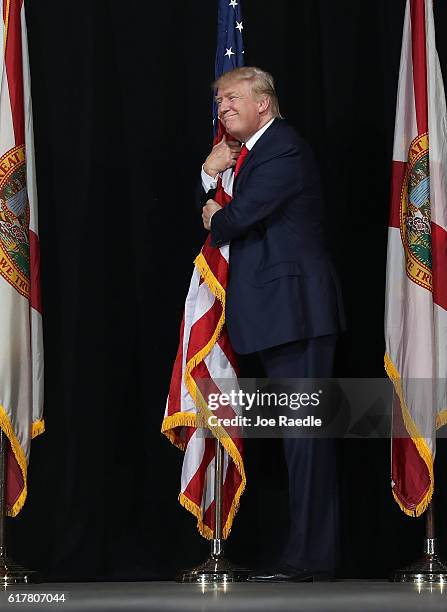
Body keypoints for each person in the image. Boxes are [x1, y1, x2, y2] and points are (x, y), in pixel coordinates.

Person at [200, 66, 344, 582]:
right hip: (278, 315)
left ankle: (310, 559)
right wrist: (212, 177)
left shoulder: (282, 146)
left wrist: (214, 204)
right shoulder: (253, 154)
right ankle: (307, 554)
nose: (223, 109)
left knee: (305, 439)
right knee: (295, 439)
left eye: (233, 98)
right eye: (219, 103)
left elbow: (240, 217)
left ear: (264, 103)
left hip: (297, 313)